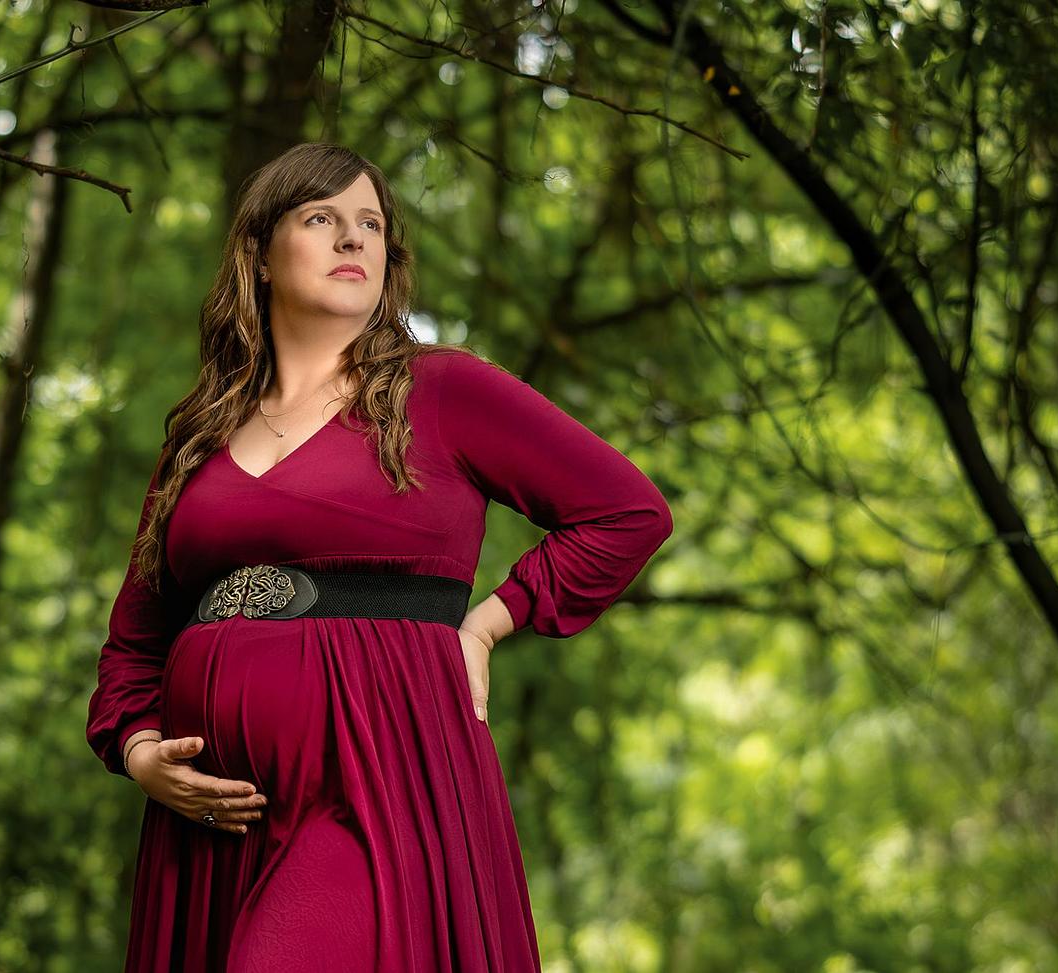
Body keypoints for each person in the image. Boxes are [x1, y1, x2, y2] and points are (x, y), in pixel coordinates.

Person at [86, 142, 673, 972]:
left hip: (378, 779)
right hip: (212, 825)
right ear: (259, 250)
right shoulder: (199, 433)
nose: (352, 238)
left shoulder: (444, 391)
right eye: (322, 218)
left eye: (371, 225)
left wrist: (486, 626)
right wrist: (144, 754)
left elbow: (626, 511)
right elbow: (134, 642)